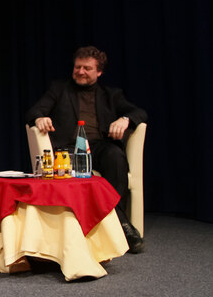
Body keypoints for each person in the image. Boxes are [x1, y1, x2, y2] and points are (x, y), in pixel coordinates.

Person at [26, 46, 147, 253]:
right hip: (68, 149)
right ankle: (123, 226)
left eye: (87, 68)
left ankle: (113, 221)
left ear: (99, 72)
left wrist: (125, 119)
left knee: (116, 157)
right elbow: (35, 109)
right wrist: (40, 117)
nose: (80, 71)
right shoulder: (59, 89)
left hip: (100, 146)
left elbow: (139, 112)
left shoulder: (111, 95)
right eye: (77, 67)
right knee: (80, 169)